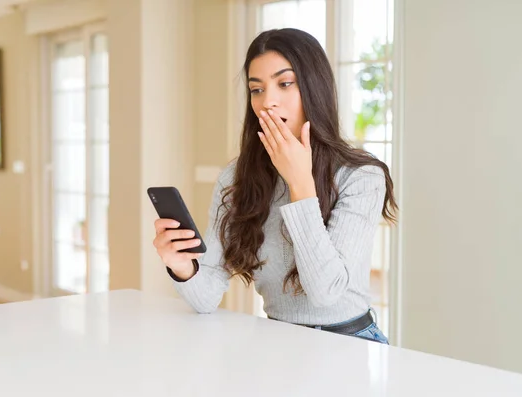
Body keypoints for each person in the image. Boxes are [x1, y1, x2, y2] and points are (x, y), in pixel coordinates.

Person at [152, 28, 398, 344]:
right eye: (257, 90)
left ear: (314, 88)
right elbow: (206, 297)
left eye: (284, 84)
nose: (268, 102)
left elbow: (326, 294)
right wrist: (182, 266)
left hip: (349, 342)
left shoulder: (361, 176)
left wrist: (300, 183)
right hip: (277, 339)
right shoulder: (236, 177)